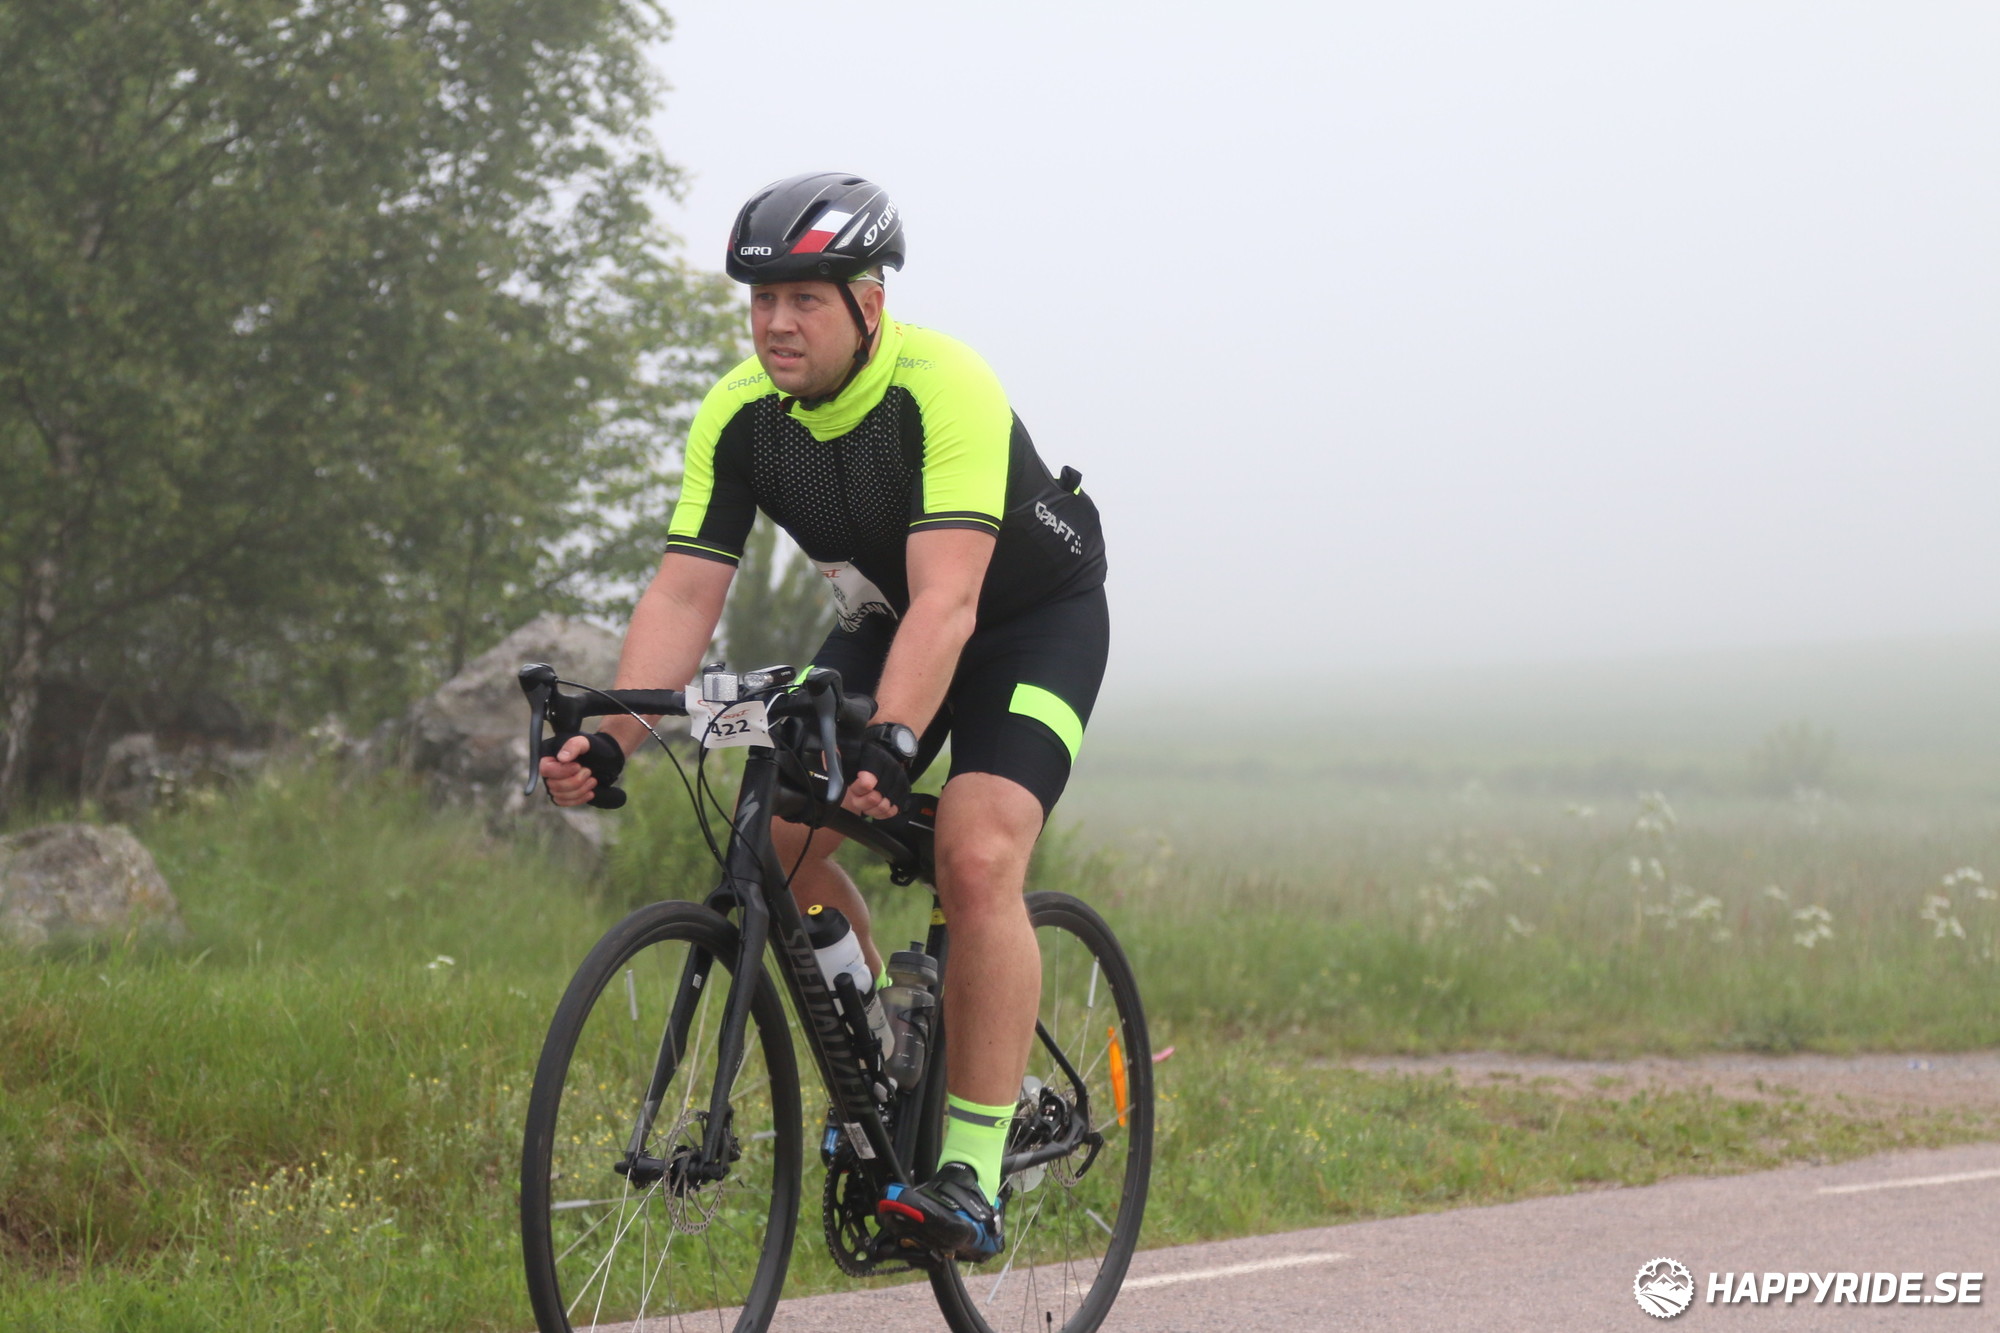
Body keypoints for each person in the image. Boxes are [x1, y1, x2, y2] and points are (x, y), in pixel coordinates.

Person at [539, 172, 1109, 1260]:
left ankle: (971, 1175)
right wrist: (609, 736)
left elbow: (951, 602)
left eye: (805, 298)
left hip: (1028, 622)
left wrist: (893, 740)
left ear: (869, 304)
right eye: (762, 300)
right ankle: (883, 1043)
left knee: (975, 852)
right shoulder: (740, 415)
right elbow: (684, 595)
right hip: (890, 618)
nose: (776, 323)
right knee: (783, 833)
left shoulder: (942, 385)